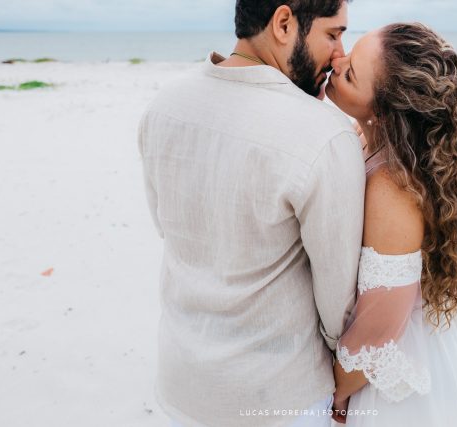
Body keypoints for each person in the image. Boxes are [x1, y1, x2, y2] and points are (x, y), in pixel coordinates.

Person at [137, 1, 365, 426]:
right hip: (279, 399)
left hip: (182, 386)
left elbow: (166, 229)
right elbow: (340, 306)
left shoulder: (164, 105)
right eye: (333, 34)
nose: (339, 55)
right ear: (284, 23)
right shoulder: (323, 134)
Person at [325, 23, 457, 426]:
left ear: (383, 112)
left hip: (405, 373)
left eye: (350, 73)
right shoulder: (375, 137)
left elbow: (379, 329)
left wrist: (333, 397)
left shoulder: (394, 186)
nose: (336, 62)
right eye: (348, 52)